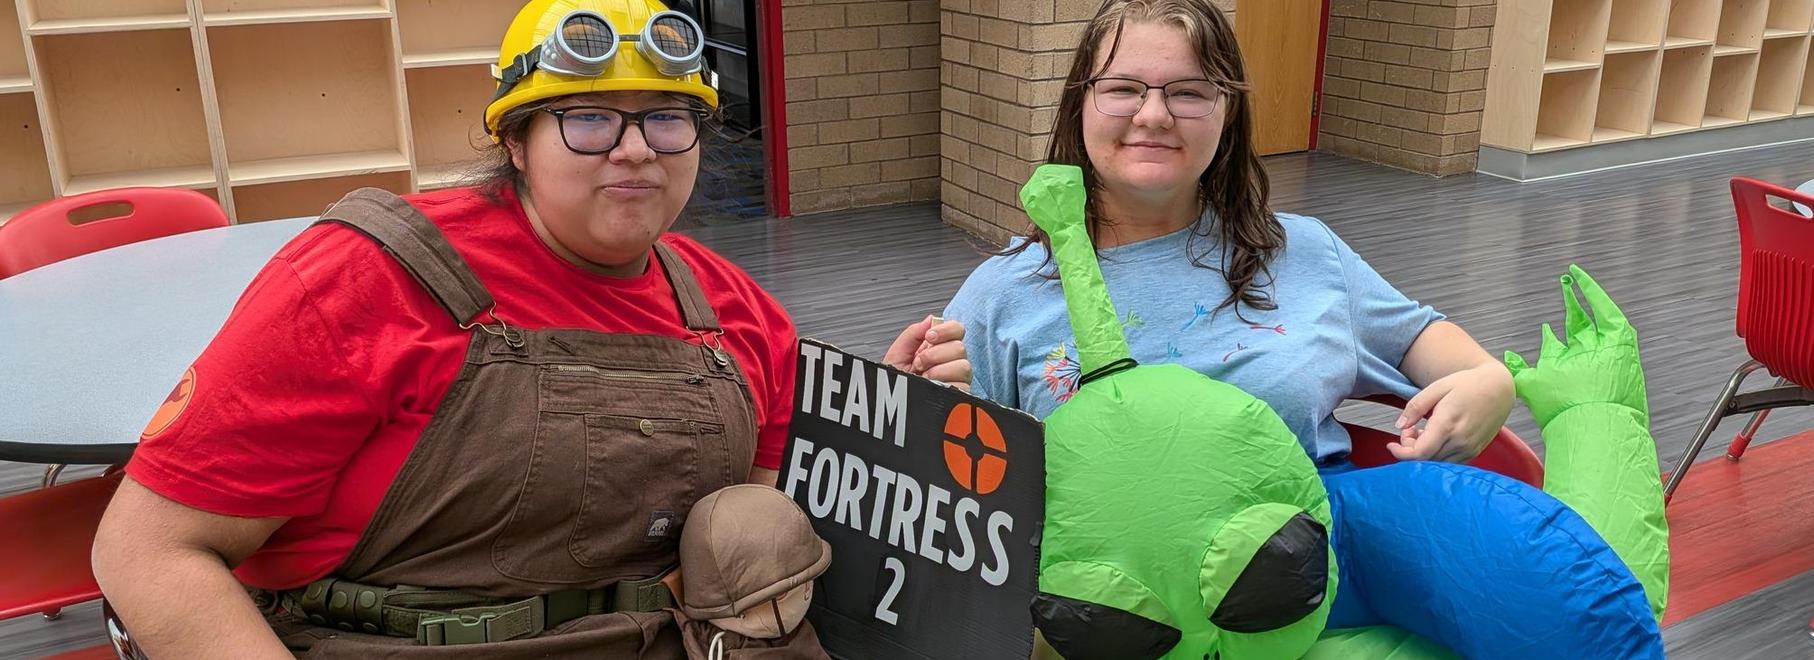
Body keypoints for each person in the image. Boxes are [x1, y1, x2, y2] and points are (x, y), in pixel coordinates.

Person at [91, 1, 800, 657]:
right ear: (516, 141)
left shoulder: (745, 317)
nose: (637, 149)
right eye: (589, 118)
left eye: (668, 118)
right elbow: (149, 552)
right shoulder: (365, 280)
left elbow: (743, 534)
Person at [888, 0, 1514, 468]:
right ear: (1080, 106)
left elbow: (1430, 345)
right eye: (1123, 89)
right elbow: (945, 481)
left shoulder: (1302, 252)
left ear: (1227, 111)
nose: (1153, 115)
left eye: (1188, 93)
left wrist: (1493, 381)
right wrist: (903, 401)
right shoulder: (1005, 291)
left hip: (1308, 572)